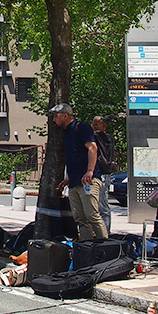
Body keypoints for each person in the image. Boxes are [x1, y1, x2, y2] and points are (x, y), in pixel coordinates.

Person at [51, 103, 108, 241]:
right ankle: (87, 246)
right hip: (75, 181)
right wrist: (69, 178)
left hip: (88, 180)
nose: (54, 120)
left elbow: (92, 148)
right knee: (80, 218)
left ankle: (105, 246)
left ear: (65, 116)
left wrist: (90, 171)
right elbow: (75, 156)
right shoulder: (66, 134)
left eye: (56, 116)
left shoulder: (81, 128)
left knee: (92, 215)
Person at [92, 116, 115, 234]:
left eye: (97, 124)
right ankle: (98, 231)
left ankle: (105, 232)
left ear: (103, 126)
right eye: (93, 124)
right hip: (97, 174)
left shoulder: (103, 138)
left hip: (103, 174)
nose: (94, 127)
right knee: (93, 204)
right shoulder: (101, 137)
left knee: (102, 204)